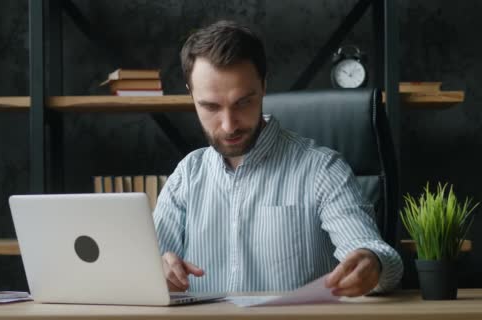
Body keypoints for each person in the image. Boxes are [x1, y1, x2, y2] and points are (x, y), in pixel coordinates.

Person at [153, 20, 403, 297]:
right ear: (191, 93)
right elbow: (146, 265)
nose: (228, 125)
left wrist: (372, 263)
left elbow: (376, 254)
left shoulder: (322, 170)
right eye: (211, 106)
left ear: (263, 85)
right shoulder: (186, 176)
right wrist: (156, 271)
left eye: (243, 102)